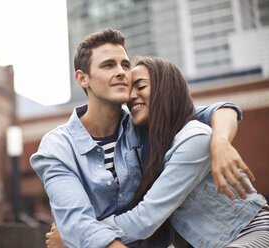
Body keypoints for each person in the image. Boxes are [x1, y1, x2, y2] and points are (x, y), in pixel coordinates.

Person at [30, 29, 254, 248]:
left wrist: (221, 142)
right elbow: (76, 219)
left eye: (125, 65)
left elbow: (217, 111)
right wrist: (77, 233)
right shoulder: (57, 148)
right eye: (108, 65)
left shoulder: (148, 121)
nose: (121, 72)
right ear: (82, 78)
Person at [97, 56, 268, 247]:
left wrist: (81, 235)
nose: (131, 96)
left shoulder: (194, 138)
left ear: (165, 90)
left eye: (141, 86)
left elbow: (145, 218)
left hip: (247, 233)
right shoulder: (146, 139)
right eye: (129, 90)